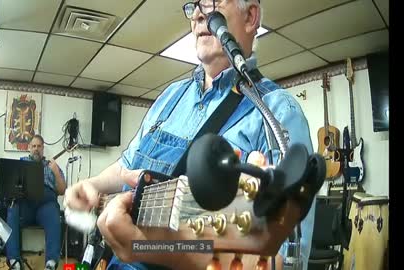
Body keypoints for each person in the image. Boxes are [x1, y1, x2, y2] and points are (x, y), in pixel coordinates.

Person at [64, 0, 317, 269]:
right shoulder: (170, 97)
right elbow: (129, 165)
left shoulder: (278, 112)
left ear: (250, 16)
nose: (197, 14)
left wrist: (153, 248)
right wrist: (93, 185)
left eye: (210, 2)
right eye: (193, 5)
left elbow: (287, 260)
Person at [6, 135, 66, 270]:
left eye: (39, 146)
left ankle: (51, 262)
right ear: (29, 148)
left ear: (43, 149)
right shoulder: (21, 163)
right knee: (12, 208)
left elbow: (62, 190)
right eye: (34, 146)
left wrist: (56, 173)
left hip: (46, 204)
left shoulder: (51, 166)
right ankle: (14, 261)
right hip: (26, 205)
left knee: (53, 212)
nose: (36, 149)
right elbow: (12, 187)